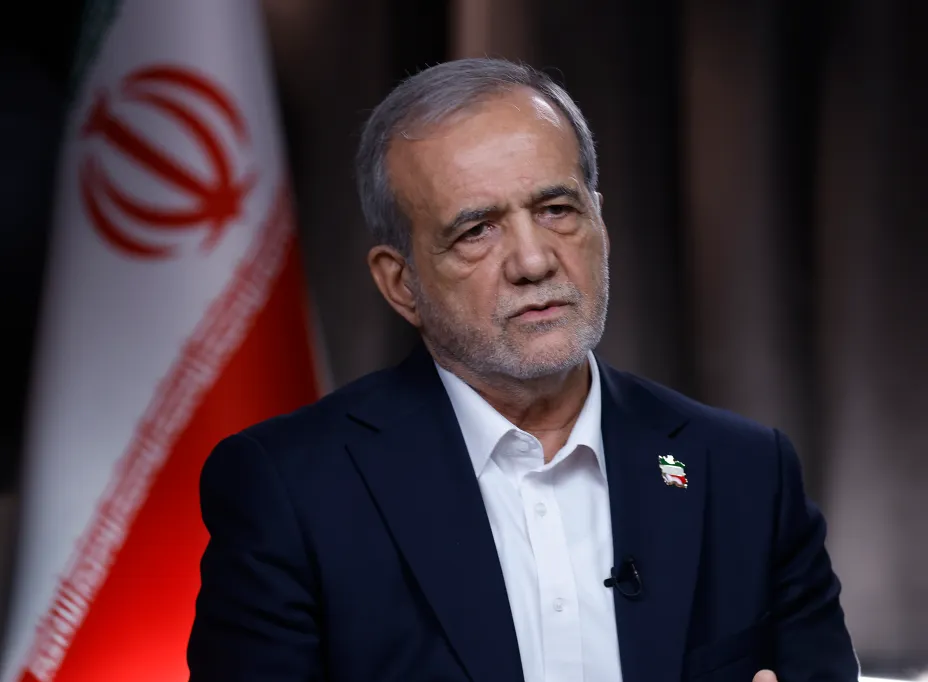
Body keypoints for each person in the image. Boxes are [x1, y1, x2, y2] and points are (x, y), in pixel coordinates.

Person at [187, 58, 858, 682]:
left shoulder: (744, 473)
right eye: (476, 229)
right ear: (401, 284)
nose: (534, 261)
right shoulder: (291, 491)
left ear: (602, 223)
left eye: (557, 210)